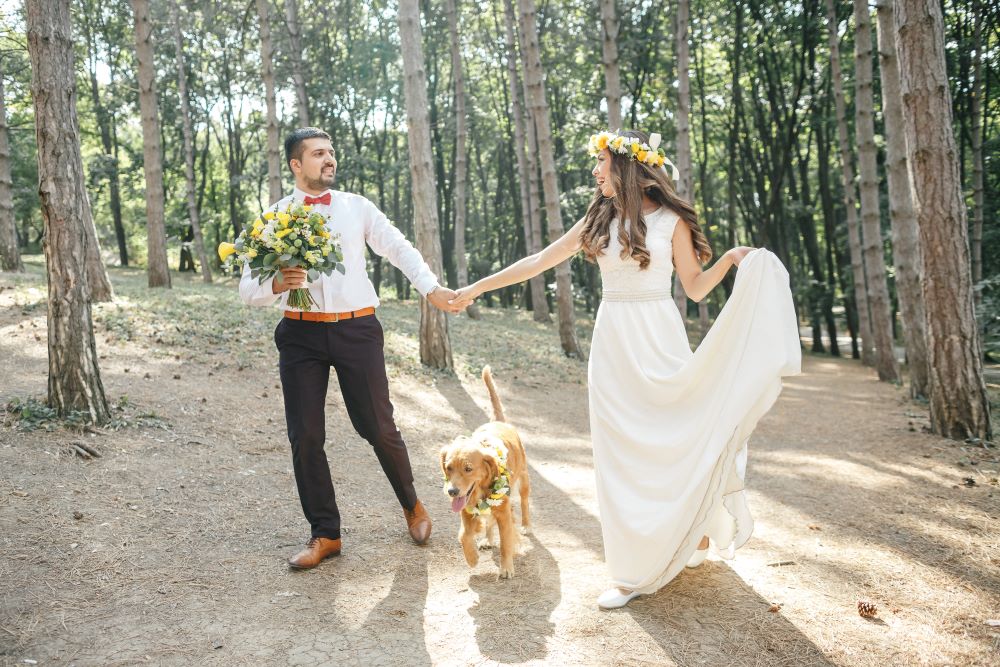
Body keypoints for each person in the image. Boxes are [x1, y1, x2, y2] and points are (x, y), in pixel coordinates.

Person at [450, 130, 800, 608]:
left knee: (673, 440)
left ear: (629, 168)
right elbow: (537, 261)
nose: (595, 173)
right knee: (620, 456)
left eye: (602, 164)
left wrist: (729, 262)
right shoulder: (598, 219)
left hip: (659, 338)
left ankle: (694, 530)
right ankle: (631, 573)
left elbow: (695, 288)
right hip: (613, 343)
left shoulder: (671, 222)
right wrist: (475, 289)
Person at [240, 127, 462, 570]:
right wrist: (277, 283)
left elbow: (398, 248)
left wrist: (431, 289)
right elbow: (247, 287)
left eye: (331, 152)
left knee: (378, 426)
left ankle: (412, 505)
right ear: (295, 165)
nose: (329, 159)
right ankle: (325, 534)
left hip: (356, 329)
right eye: (318, 154)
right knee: (305, 435)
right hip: (299, 334)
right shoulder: (274, 216)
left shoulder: (356, 207)